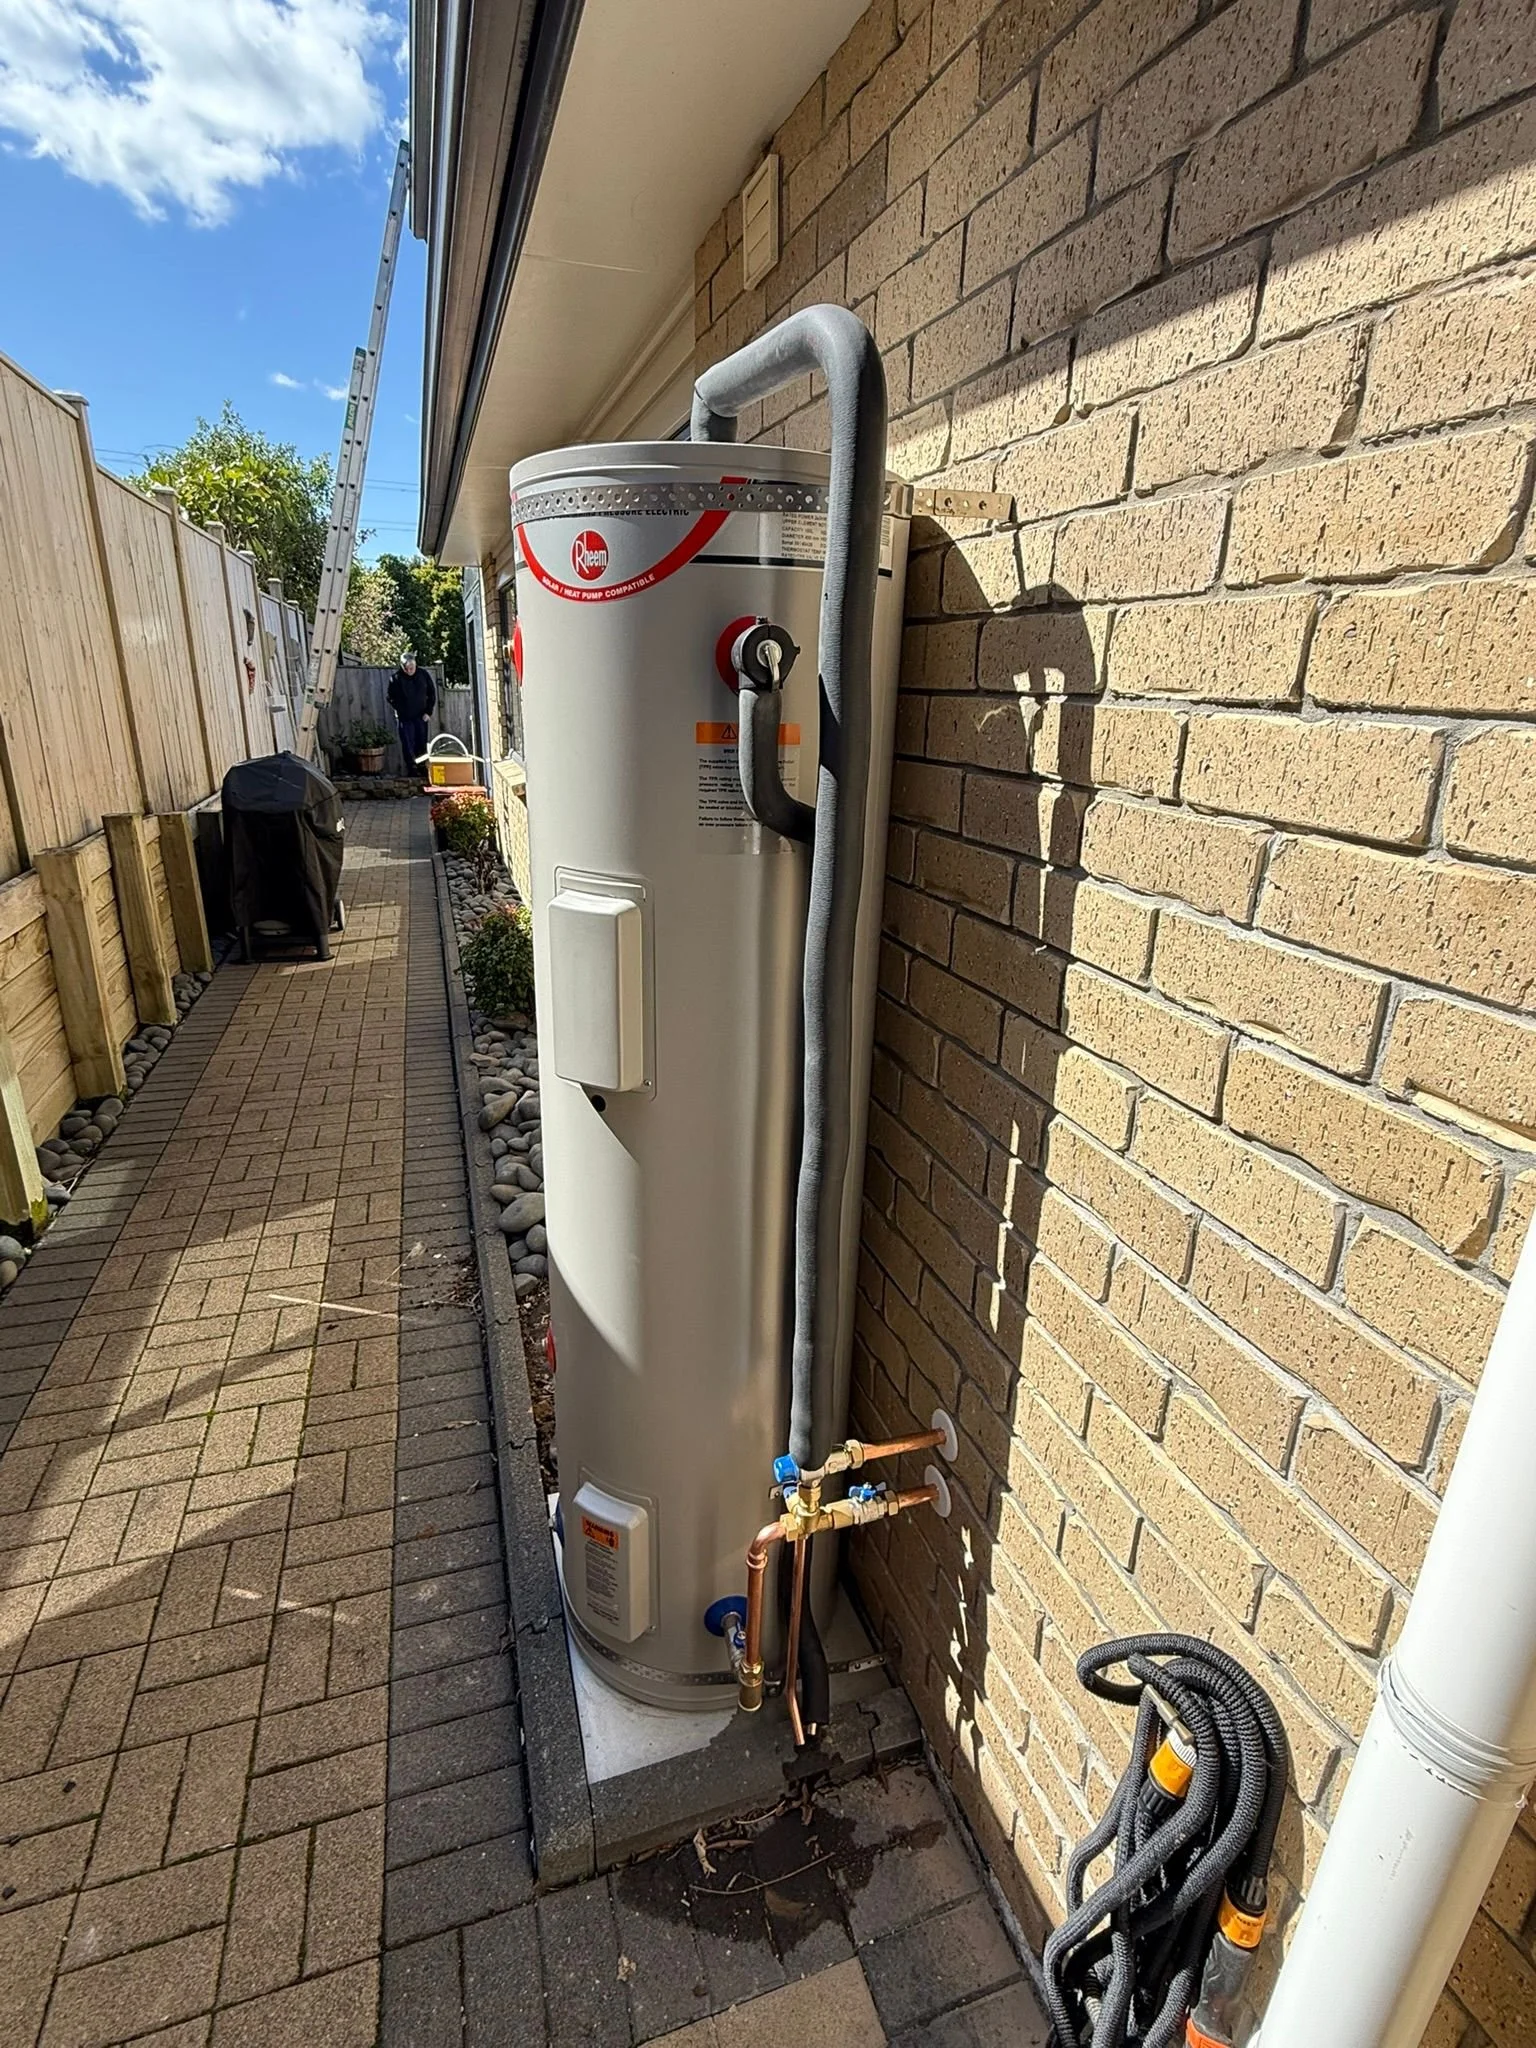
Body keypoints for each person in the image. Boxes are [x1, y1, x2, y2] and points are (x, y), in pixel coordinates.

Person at [387, 653, 436, 775]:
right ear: (402, 667)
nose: (410, 670)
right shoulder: (396, 678)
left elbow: (432, 694)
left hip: (421, 716)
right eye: (407, 668)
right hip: (405, 718)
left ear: (415, 665)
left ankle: (423, 768)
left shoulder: (423, 675)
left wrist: (428, 712)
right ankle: (412, 769)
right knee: (408, 744)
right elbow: (390, 697)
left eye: (412, 668)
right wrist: (400, 710)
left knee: (421, 743)